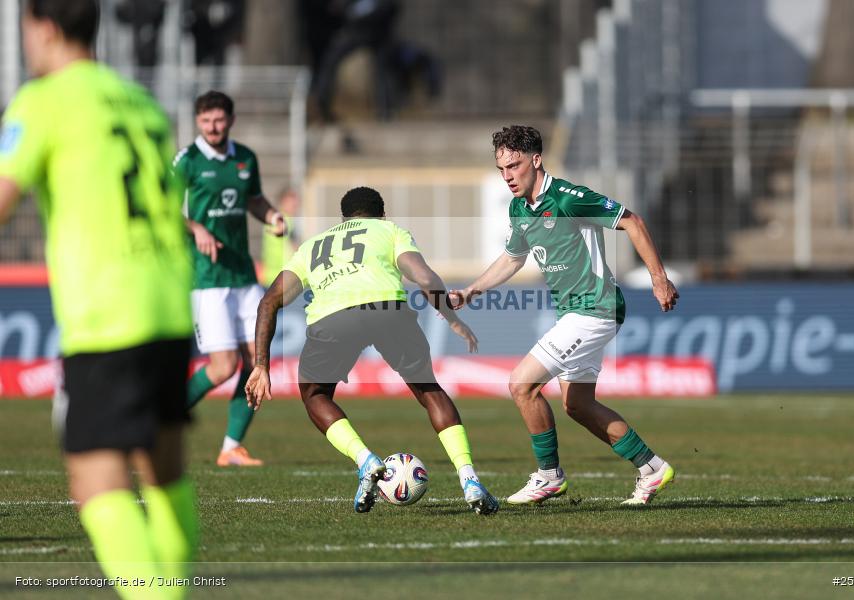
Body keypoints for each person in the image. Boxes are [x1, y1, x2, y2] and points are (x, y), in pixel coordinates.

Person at [0, 1, 197, 597]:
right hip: (167, 298)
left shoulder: (44, 100)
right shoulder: (137, 100)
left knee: (96, 481)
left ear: (45, 28)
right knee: (163, 472)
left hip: (109, 310)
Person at [451, 125, 679, 506]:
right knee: (577, 405)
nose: (508, 176)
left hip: (595, 307)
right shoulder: (520, 208)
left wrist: (659, 279)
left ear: (536, 160)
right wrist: (472, 290)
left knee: (521, 384)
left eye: (515, 165)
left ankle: (549, 476)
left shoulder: (570, 198)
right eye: (501, 169)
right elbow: (513, 257)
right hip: (574, 312)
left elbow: (632, 221)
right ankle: (652, 467)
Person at [245, 186, 499, 515]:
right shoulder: (389, 230)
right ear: (381, 214)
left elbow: (269, 302)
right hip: (387, 309)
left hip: (332, 318)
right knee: (428, 389)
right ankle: (470, 480)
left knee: (315, 395)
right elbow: (423, 276)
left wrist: (261, 365)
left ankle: (366, 461)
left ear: (343, 219)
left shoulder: (312, 246)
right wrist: (450, 317)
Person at [176, 90, 286, 467]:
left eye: (219, 120)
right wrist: (195, 228)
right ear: (197, 122)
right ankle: (158, 422)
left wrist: (271, 216)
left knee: (258, 361)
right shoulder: (187, 161)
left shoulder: (245, 158)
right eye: (206, 121)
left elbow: (253, 199)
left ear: (231, 120)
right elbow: (162, 209)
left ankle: (231, 447)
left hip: (244, 274)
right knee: (222, 367)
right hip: (208, 279)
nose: (213, 127)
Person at [261, 185, 302, 285]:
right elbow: (295, 249)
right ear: (283, 201)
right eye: (293, 203)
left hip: (269, 277)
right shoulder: (286, 222)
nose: (295, 206)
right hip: (284, 278)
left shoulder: (271, 220)